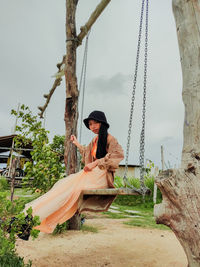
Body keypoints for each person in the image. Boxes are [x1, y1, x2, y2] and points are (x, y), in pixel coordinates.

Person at [22, 110, 124, 236]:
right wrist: (76, 143)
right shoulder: (95, 140)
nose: (92, 127)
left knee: (70, 191)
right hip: (92, 175)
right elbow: (87, 152)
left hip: (102, 177)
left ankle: (31, 219)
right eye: (90, 124)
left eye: (95, 123)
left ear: (102, 123)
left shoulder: (111, 139)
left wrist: (95, 163)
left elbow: (117, 155)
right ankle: (28, 218)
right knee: (62, 189)